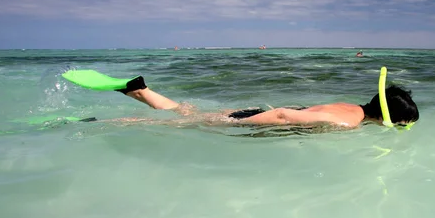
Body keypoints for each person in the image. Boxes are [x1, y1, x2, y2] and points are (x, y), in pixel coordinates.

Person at [116, 76, 419, 129]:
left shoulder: (351, 107)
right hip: (258, 120)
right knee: (182, 126)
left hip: (258, 112)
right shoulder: (349, 122)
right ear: (389, 118)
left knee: (188, 114)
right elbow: (285, 117)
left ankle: (140, 89)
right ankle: (106, 123)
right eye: (401, 126)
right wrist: (237, 123)